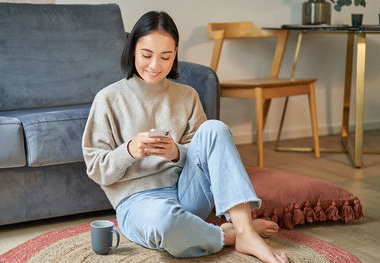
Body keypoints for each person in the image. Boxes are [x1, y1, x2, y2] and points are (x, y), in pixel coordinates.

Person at [82, 10, 289, 263]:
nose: (155, 65)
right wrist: (130, 151)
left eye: (165, 57)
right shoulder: (108, 99)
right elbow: (96, 168)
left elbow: (205, 158)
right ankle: (226, 235)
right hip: (138, 202)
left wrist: (177, 153)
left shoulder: (187, 95)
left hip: (187, 192)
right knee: (166, 222)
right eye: (147, 55)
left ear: (175, 54)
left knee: (215, 128)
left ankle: (244, 231)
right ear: (133, 49)